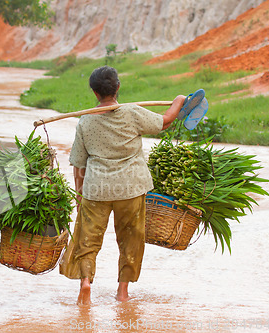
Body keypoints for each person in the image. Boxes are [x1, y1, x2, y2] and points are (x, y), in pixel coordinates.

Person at [59, 65, 185, 304]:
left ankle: (85, 282)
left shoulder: (85, 121)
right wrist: (179, 100)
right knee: (130, 238)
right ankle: (122, 291)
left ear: (95, 92)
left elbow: (79, 164)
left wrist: (79, 194)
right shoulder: (131, 112)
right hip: (130, 187)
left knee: (88, 239)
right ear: (117, 87)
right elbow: (166, 121)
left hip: (97, 189)